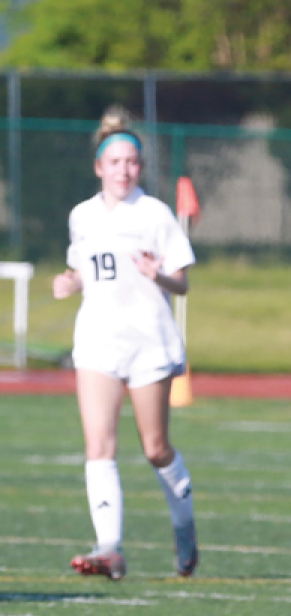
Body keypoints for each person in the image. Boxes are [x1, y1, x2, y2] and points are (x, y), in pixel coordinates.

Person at [51, 106, 199, 581]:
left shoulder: (154, 214)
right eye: (114, 162)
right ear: (99, 167)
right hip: (98, 340)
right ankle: (109, 549)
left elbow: (182, 282)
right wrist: (70, 281)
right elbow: (85, 268)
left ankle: (184, 526)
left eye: (131, 162)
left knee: (155, 448)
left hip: (148, 342)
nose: (123, 170)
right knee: (98, 445)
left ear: (141, 167)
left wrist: (160, 275)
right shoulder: (82, 215)